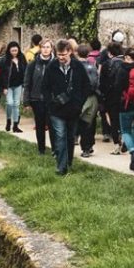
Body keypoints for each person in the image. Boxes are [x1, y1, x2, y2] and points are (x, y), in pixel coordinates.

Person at [41, 38, 93, 175]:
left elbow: (86, 86)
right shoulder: (52, 67)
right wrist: (50, 102)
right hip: (56, 110)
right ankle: (61, 167)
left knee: (70, 137)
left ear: (70, 52)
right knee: (60, 136)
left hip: (73, 110)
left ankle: (68, 161)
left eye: (63, 54)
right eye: (58, 54)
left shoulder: (77, 67)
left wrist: (79, 103)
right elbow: (45, 88)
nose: (61, 57)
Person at [25, 38, 54, 154]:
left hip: (52, 100)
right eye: (43, 47)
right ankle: (41, 149)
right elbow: (27, 82)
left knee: (53, 125)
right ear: (40, 48)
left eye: (48, 47)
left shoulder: (56, 63)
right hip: (37, 99)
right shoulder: (33, 64)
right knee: (40, 125)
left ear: (52, 49)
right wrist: (26, 100)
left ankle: (55, 149)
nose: (46, 50)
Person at [77, 36, 101, 158]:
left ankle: (83, 145)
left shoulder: (76, 67)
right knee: (89, 123)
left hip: (80, 97)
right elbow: (97, 82)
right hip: (92, 97)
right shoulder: (93, 67)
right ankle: (89, 146)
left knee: (80, 122)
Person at [0, 41, 28, 133]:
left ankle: (15, 125)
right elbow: (2, 75)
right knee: (9, 103)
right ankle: (8, 121)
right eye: (12, 51)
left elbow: (26, 70)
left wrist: (25, 83)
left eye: (16, 50)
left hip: (18, 85)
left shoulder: (22, 57)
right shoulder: (4, 60)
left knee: (16, 104)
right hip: (8, 86)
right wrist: (4, 87)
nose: (14, 52)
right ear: (9, 51)